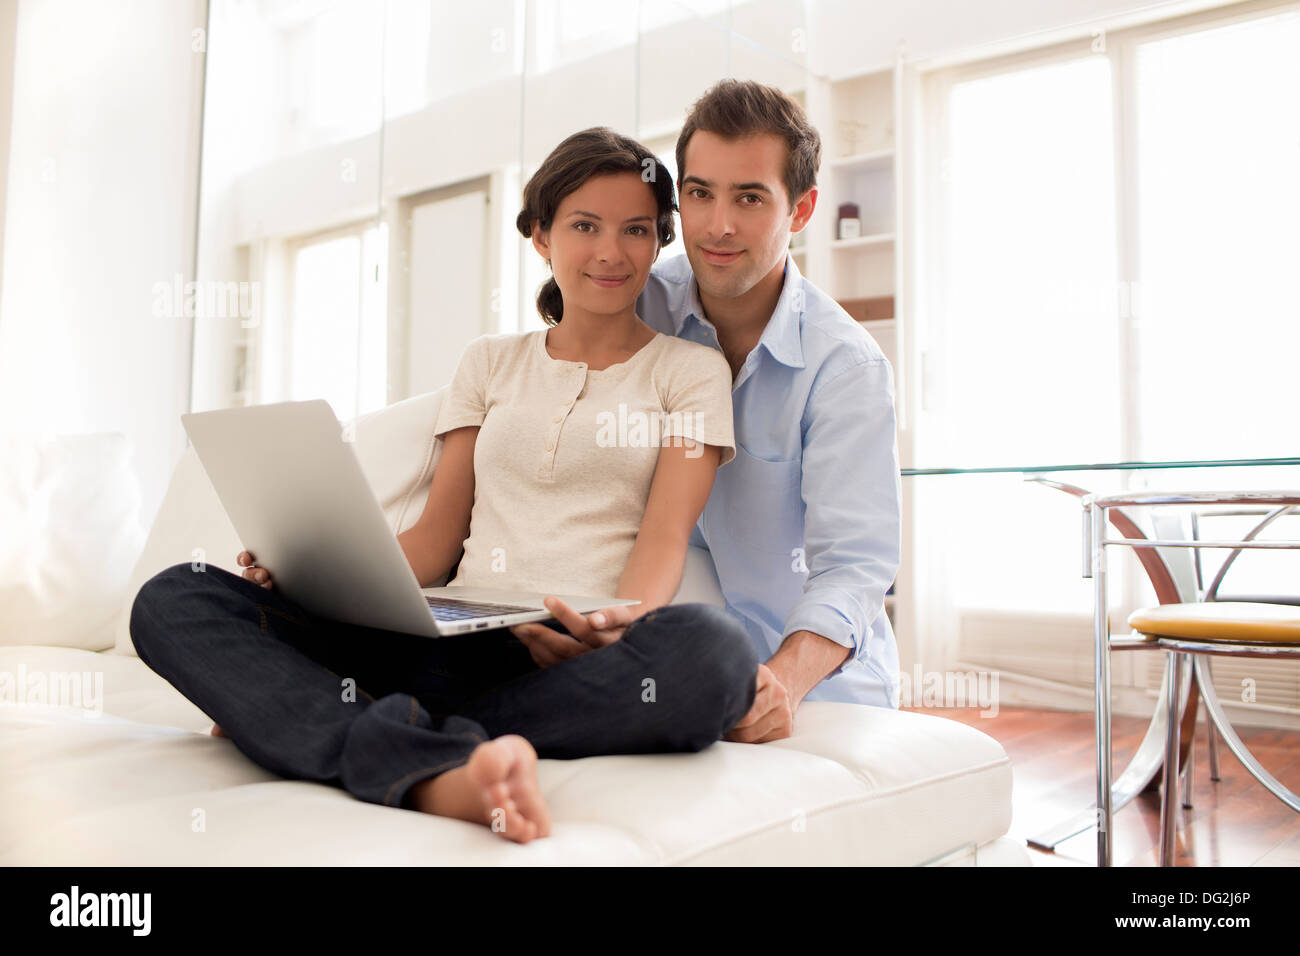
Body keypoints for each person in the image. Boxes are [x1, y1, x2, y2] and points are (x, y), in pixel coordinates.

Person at [129, 127, 758, 845]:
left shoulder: (691, 373)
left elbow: (663, 539)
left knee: (716, 654)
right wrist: (309, 581)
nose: (611, 253)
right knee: (175, 595)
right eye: (584, 226)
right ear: (540, 236)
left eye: (637, 231)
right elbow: (435, 539)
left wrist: (612, 632)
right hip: (439, 640)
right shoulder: (489, 362)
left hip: (565, 661)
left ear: (657, 244)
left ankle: (326, 725)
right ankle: (424, 762)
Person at [511, 79, 903, 739]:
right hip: (659, 665)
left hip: (813, 691)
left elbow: (853, 567)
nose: (718, 225)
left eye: (749, 198)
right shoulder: (639, 302)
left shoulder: (844, 368)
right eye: (699, 193)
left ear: (801, 210)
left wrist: (784, 681)